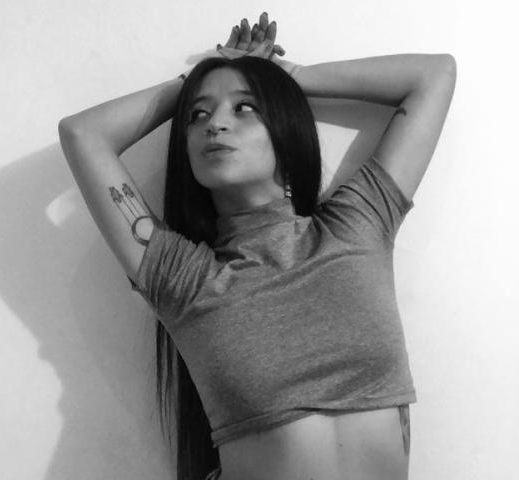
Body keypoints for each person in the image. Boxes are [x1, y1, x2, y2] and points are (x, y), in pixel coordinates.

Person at [58, 12, 456, 480]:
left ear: (284, 128)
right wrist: (195, 81)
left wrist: (287, 77)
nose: (215, 124)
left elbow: (434, 75)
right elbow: (83, 134)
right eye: (198, 115)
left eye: (244, 108)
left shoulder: (357, 225)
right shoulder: (184, 279)